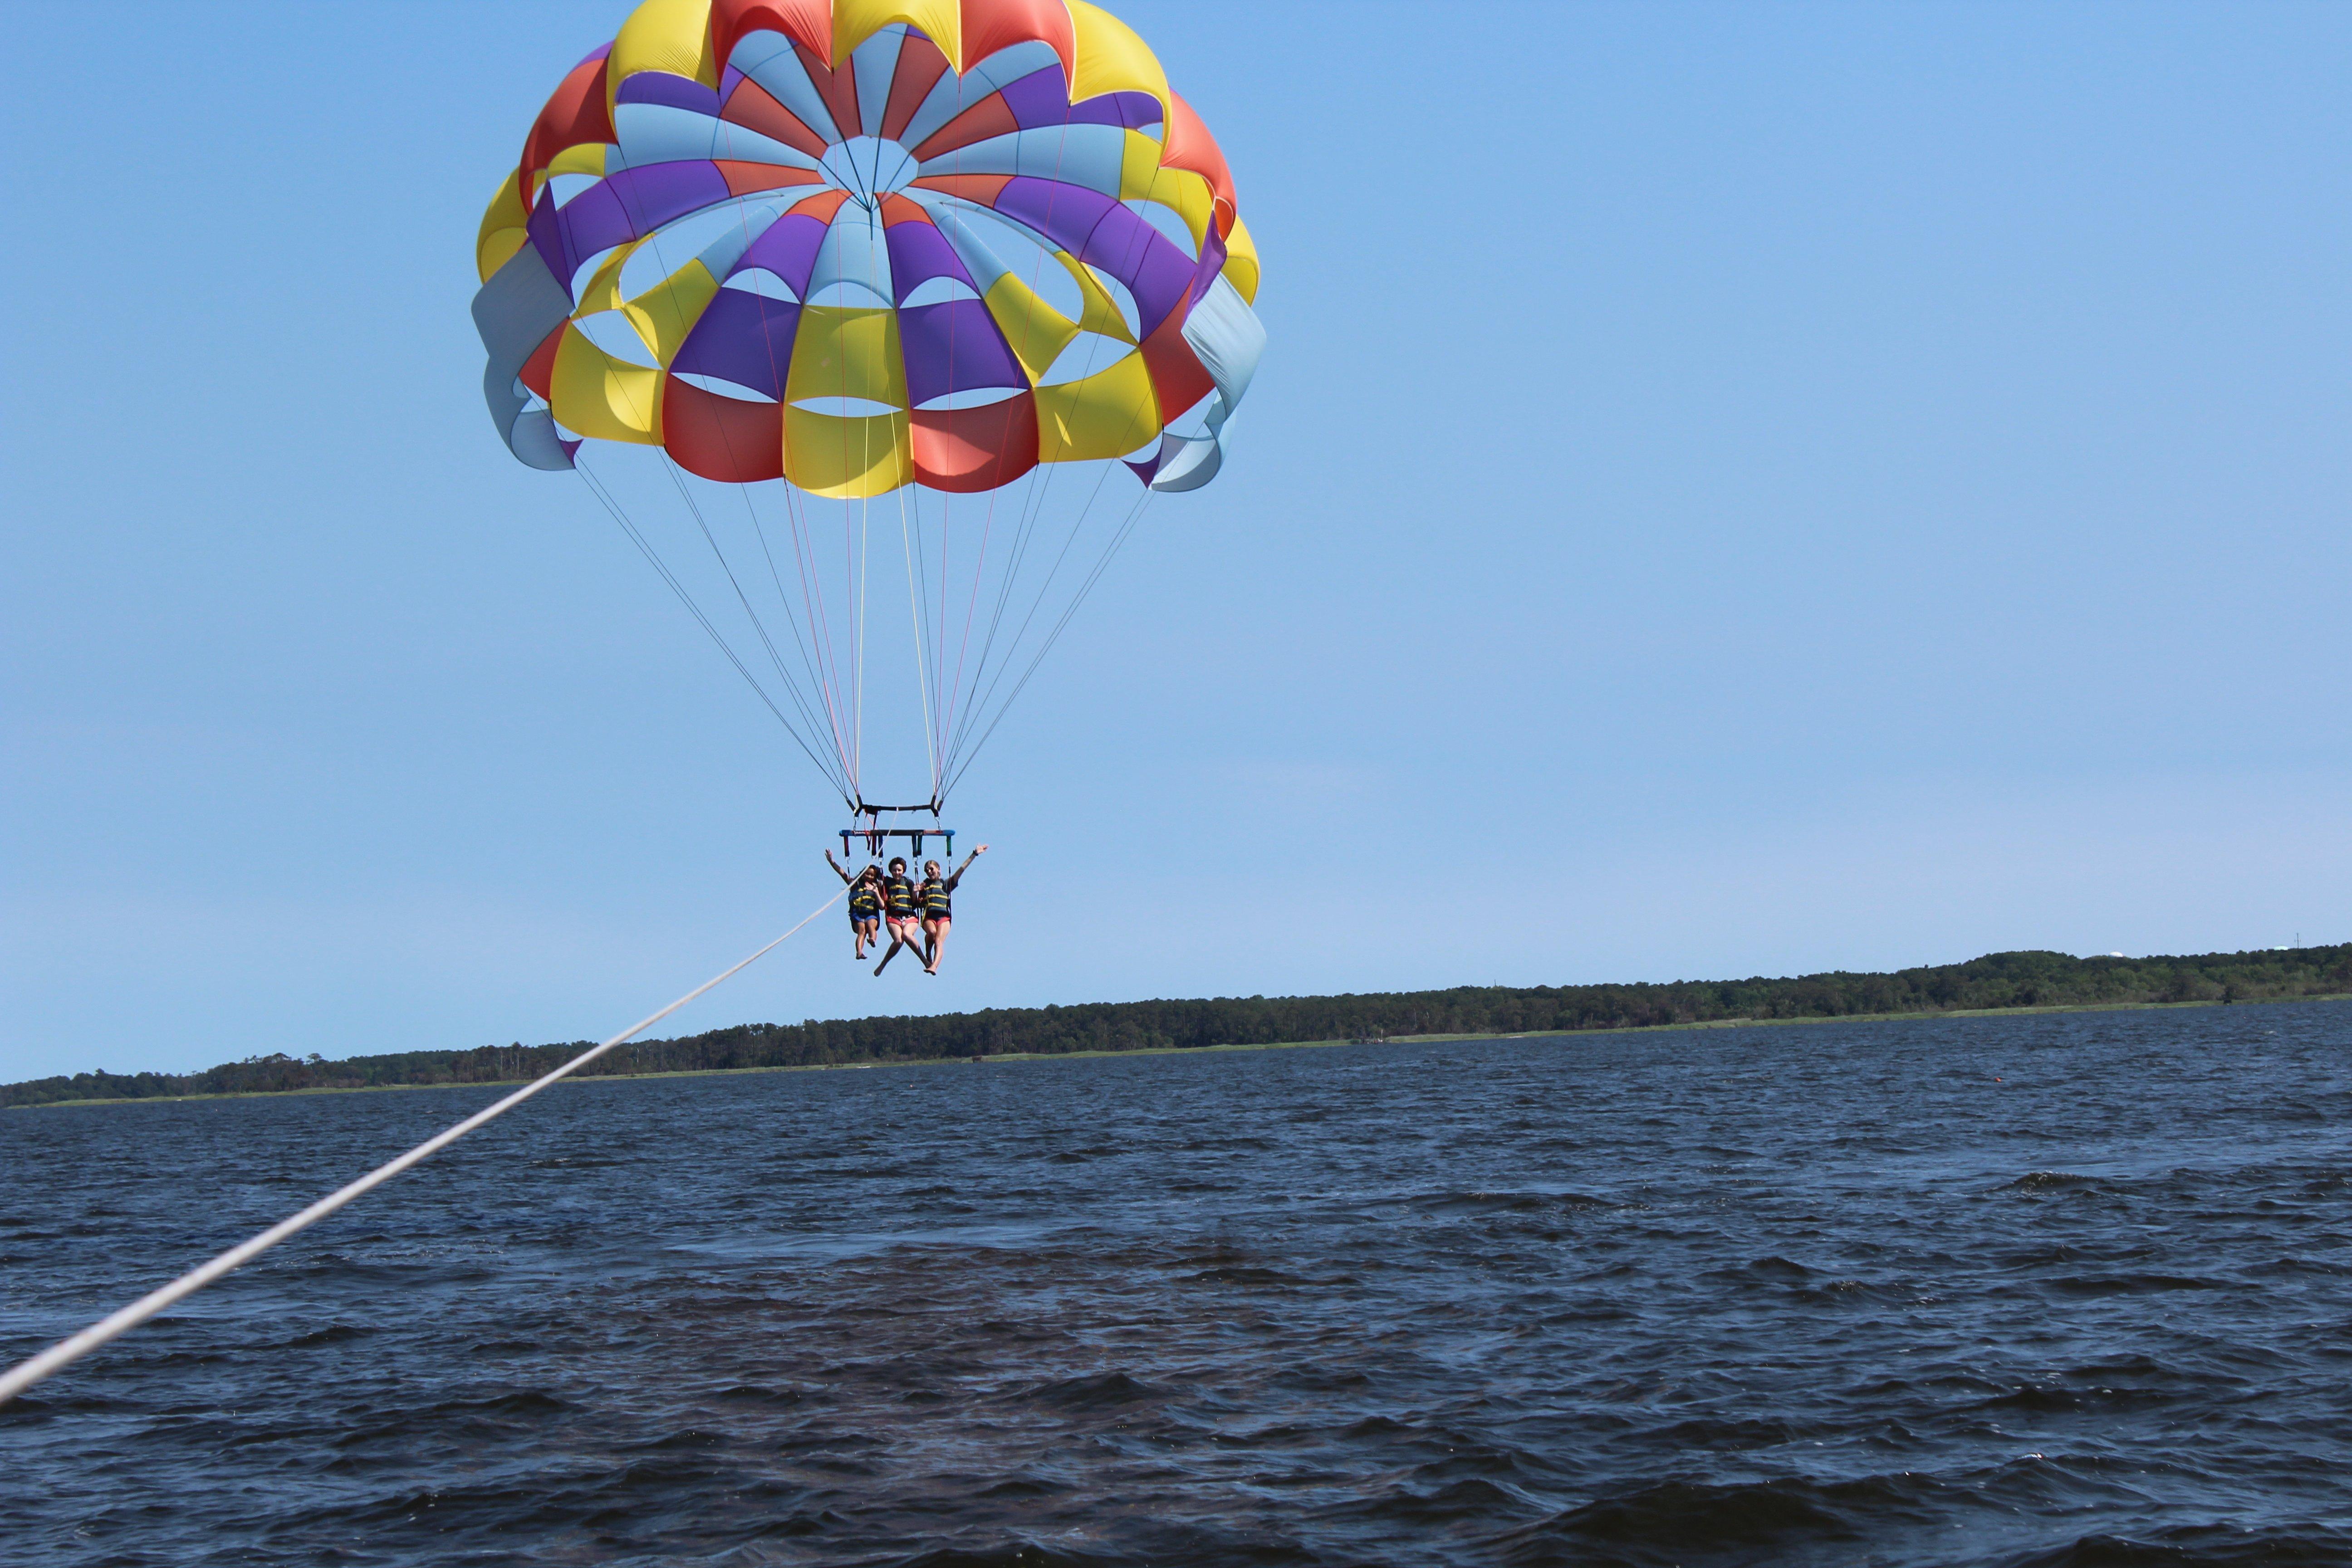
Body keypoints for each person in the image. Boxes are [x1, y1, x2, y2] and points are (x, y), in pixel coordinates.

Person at [917, 845, 988, 974]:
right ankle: (928, 952)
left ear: (939, 870)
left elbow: (961, 870)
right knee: (932, 933)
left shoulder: (945, 884)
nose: (929, 872)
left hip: (944, 917)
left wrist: (974, 854)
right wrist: (917, 893)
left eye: (932, 869)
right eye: (927, 870)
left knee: (939, 941)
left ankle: (934, 966)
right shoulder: (924, 886)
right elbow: (917, 903)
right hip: (929, 917)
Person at [872, 856, 926, 975]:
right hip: (893, 917)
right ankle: (883, 965)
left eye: (899, 870)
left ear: (903, 871)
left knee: (907, 935)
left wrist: (915, 892)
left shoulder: (908, 883)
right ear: (891, 871)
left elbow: (914, 904)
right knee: (898, 941)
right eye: (894, 870)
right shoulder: (886, 881)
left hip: (909, 916)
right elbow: (874, 872)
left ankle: (925, 961)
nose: (897, 873)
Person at [826, 850, 885, 959]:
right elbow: (842, 873)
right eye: (867, 874)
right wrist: (832, 862)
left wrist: (877, 890)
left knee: (871, 926)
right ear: (863, 874)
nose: (869, 876)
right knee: (862, 931)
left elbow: (882, 906)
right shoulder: (855, 884)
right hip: (858, 914)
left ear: (875, 877)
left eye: (872, 875)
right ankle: (859, 952)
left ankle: (872, 939)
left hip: (872, 914)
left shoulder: (876, 887)